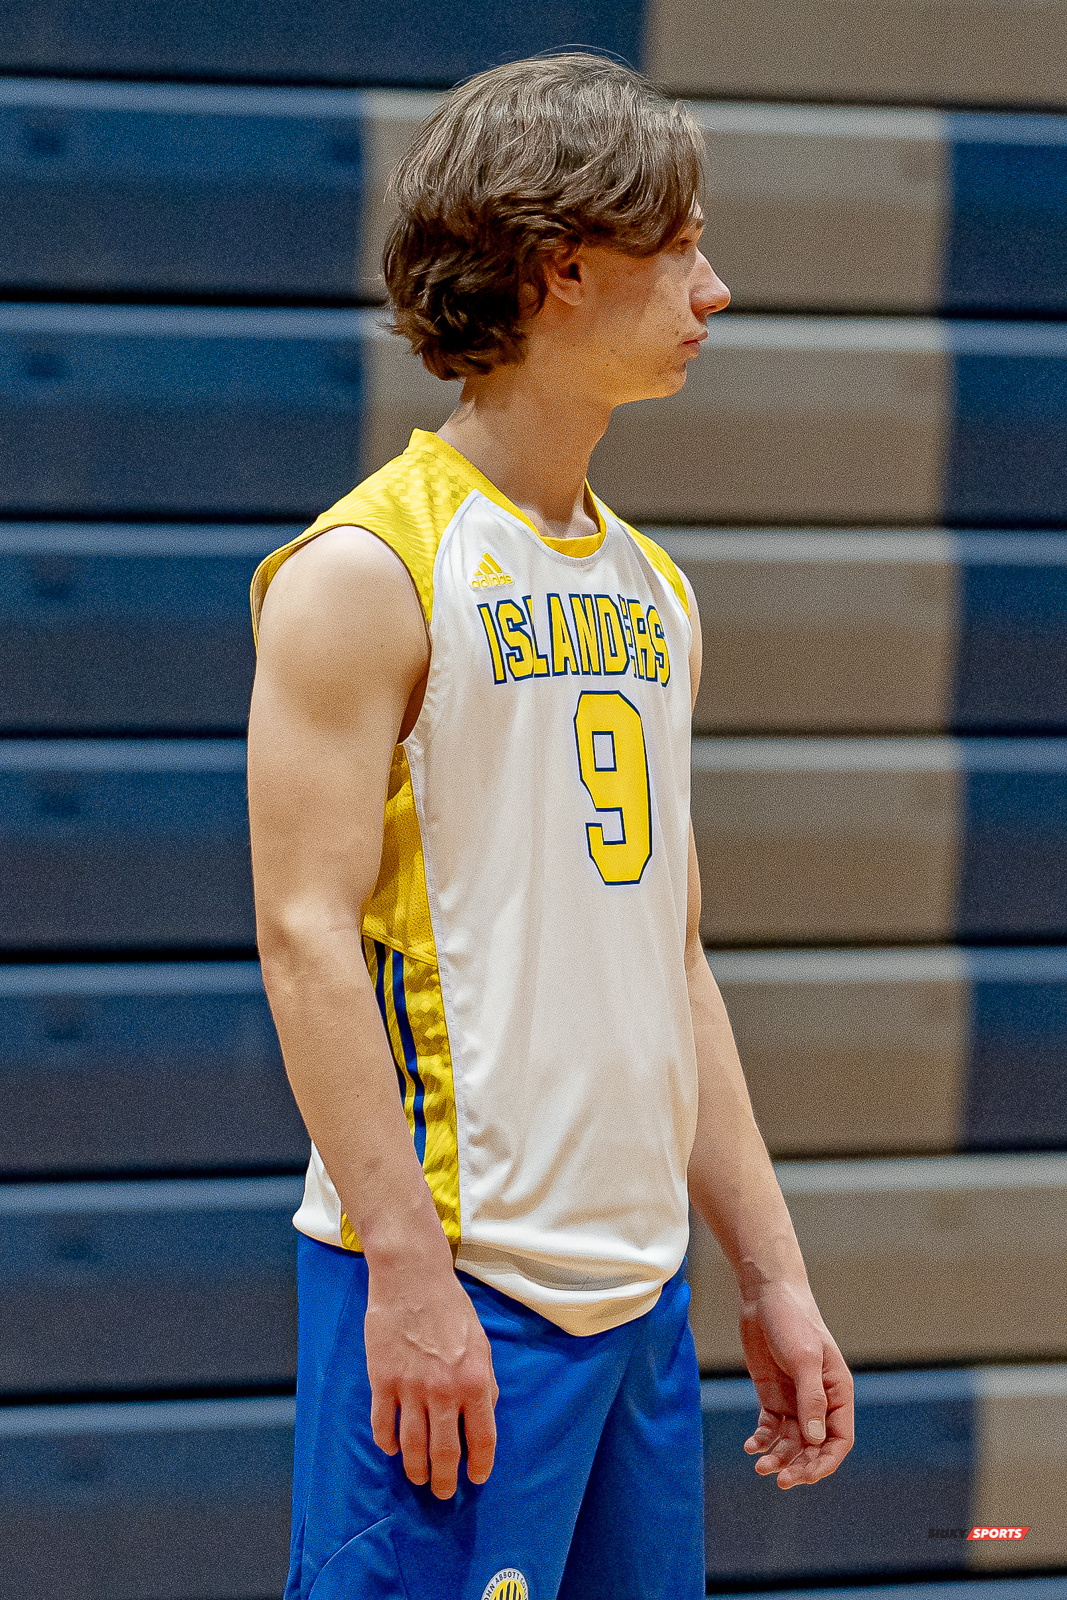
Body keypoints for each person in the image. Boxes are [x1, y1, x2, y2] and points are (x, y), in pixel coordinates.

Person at [246, 52, 854, 1600]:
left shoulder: (656, 591)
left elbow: (677, 959)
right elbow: (305, 940)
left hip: (639, 1305)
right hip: (459, 1290)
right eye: (683, 251)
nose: (716, 292)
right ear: (563, 266)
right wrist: (406, 1274)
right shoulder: (364, 572)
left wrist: (770, 1277)